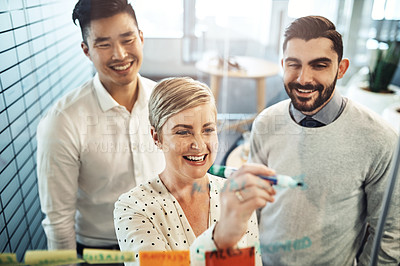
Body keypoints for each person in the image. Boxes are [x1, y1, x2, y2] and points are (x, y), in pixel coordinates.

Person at [249, 15, 400, 265]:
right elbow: (254, 206)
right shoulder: (265, 123)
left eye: (319, 65)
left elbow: (390, 233)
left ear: (341, 69)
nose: (303, 79)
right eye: (294, 64)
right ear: (283, 64)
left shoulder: (380, 139)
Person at [36, 0, 165, 256]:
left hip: (164, 242)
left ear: (141, 38)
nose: (119, 54)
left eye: (127, 39)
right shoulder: (62, 121)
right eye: (103, 44)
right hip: (102, 251)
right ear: (86, 51)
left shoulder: (164, 100)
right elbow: (58, 220)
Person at [114, 77, 277, 266]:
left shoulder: (236, 196)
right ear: (156, 137)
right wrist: (220, 238)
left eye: (208, 129)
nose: (199, 145)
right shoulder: (133, 208)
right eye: (183, 132)